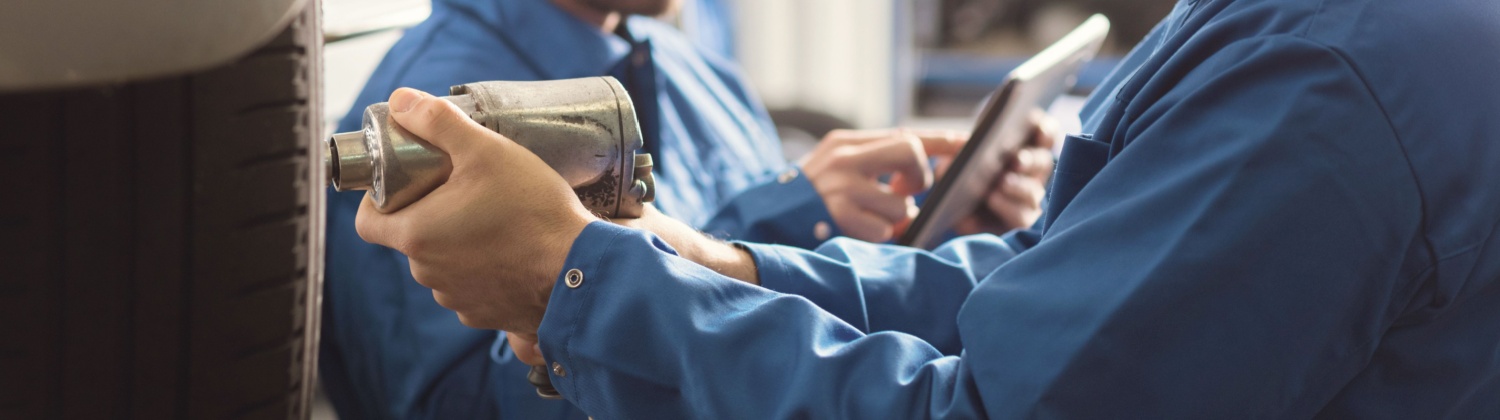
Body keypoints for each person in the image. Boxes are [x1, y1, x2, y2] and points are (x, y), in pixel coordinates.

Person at [355, 0, 1500, 417]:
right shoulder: (431, 97)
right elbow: (1053, 300)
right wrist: (739, 259)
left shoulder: (1324, 62)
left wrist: (592, 284)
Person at [323, 0, 1052, 418]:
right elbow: (464, 405)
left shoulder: (699, 73)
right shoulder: (428, 117)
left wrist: (917, 236)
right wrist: (783, 217)